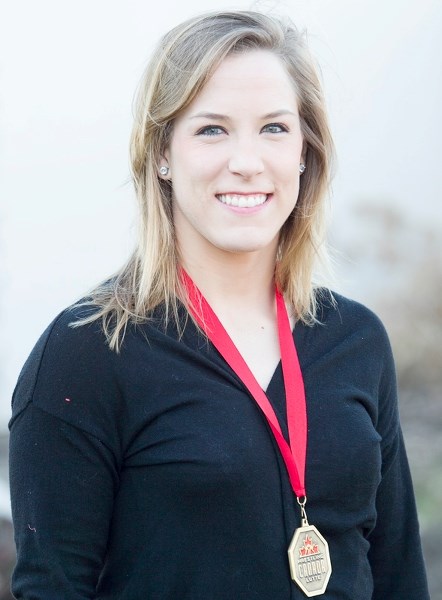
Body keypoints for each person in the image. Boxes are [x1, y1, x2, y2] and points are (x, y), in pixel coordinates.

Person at [8, 9, 429, 600]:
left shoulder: (356, 338)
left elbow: (399, 576)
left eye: (274, 128)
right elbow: (53, 587)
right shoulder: (86, 352)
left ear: (305, 152)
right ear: (161, 154)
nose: (247, 161)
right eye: (212, 129)